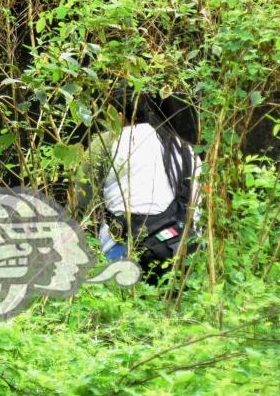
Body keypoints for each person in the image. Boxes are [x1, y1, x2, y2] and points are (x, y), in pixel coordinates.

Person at [81, 89, 201, 281]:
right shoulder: (184, 148)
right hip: (183, 251)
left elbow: (79, 201)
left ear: (117, 116)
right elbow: (200, 209)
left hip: (126, 252)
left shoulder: (106, 143)